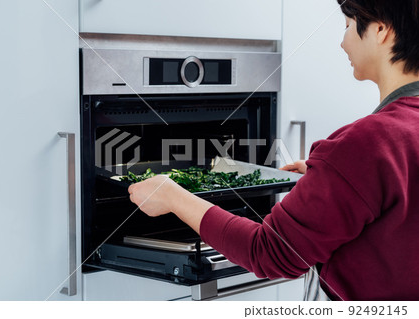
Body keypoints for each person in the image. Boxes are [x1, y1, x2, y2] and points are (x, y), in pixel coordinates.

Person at [128, 0, 419, 301]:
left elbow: (271, 251)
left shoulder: (365, 144)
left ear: (381, 30)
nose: (342, 41)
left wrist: (173, 196)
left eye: (347, 26)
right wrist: (338, 182)